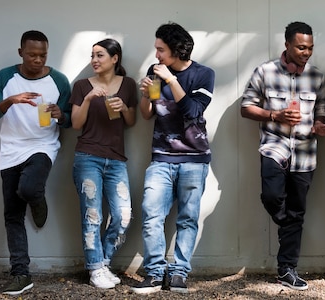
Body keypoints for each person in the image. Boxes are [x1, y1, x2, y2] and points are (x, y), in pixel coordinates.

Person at [240, 21, 325, 291]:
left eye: (310, 48)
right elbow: (246, 107)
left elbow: (321, 110)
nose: (306, 52)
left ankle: (287, 269)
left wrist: (319, 124)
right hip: (273, 146)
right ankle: (287, 222)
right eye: (301, 47)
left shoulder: (317, 77)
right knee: (273, 197)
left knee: (298, 211)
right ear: (287, 45)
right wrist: (274, 115)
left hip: (305, 153)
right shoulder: (265, 71)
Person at [0, 30, 71, 295]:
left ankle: (37, 198)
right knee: (12, 215)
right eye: (32, 54)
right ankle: (21, 273)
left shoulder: (58, 80)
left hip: (43, 146)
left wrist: (60, 115)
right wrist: (10, 100)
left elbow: (69, 118)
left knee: (30, 188)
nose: (38, 59)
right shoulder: (5, 76)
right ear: (21, 53)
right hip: (10, 151)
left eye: (42, 54)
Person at [130, 22, 215, 295]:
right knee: (151, 215)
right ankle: (155, 274)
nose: (156, 55)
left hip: (194, 159)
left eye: (161, 50)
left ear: (177, 50)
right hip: (161, 158)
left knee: (188, 219)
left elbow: (191, 110)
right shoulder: (154, 73)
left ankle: (179, 274)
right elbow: (147, 114)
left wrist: (170, 79)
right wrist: (145, 95)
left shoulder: (204, 74)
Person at [69, 38, 137, 289]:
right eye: (92, 56)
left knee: (123, 216)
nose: (94, 61)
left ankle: (103, 261)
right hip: (87, 157)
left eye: (100, 56)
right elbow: (76, 124)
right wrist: (88, 99)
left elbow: (130, 121)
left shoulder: (128, 85)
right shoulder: (81, 86)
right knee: (92, 215)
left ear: (115, 58)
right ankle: (95, 269)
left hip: (117, 160)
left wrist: (123, 108)